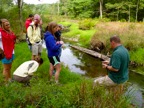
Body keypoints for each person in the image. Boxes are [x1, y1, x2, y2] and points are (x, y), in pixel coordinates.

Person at [0, 19, 16, 83]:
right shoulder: (0, 33)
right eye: (6, 25)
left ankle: (9, 79)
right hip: (5, 53)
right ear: (2, 25)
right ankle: (6, 82)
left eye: (9, 24)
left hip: (11, 52)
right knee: (6, 68)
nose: (8, 26)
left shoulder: (9, 31)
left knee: (9, 67)